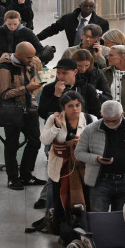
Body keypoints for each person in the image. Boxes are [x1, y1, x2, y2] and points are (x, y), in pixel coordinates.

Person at [41, 91, 94, 239]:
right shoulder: (54, 118)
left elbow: (97, 142)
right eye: (70, 106)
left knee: (85, 196)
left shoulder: (90, 119)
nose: (75, 109)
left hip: (82, 167)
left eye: (78, 105)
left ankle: (84, 226)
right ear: (64, 107)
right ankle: (60, 228)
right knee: (60, 197)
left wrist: (81, 143)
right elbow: (45, 140)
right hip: (61, 166)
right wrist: (57, 126)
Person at [0, 41, 44, 190]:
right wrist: (26, 88)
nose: (32, 60)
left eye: (33, 56)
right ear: (19, 55)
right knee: (12, 144)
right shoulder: (4, 68)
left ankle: (26, 175)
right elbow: (3, 94)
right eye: (29, 57)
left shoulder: (29, 64)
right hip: (12, 111)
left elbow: (31, 83)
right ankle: (13, 178)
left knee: (35, 141)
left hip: (29, 109)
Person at [38, 0, 110, 49]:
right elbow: (53, 29)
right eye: (85, 6)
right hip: (72, 52)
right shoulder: (68, 18)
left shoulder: (102, 23)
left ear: (94, 8)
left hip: (92, 54)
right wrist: (36, 38)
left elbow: (104, 41)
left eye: (90, 6)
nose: (88, 8)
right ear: (80, 6)